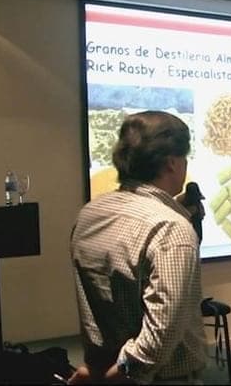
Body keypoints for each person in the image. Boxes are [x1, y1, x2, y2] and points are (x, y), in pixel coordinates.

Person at [68, 111, 207, 384]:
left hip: (101, 368)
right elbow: (160, 337)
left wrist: (99, 374)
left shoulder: (91, 213)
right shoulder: (171, 229)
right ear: (171, 163)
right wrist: (116, 377)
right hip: (156, 379)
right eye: (184, 158)